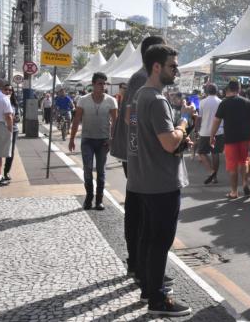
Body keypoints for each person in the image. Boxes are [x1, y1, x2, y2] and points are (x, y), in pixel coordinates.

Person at [128, 44, 193, 316]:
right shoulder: (155, 99)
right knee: (160, 242)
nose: (176, 71)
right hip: (161, 183)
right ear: (157, 67)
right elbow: (168, 143)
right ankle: (157, 299)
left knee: (147, 239)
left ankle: (148, 289)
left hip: (142, 181)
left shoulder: (138, 96)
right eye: (172, 66)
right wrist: (184, 124)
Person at [109, 35, 166, 281]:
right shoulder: (143, 78)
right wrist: (143, 140)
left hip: (134, 154)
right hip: (136, 156)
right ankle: (140, 265)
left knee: (139, 209)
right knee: (141, 212)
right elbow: (130, 117)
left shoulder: (141, 77)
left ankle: (139, 264)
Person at [68, 72, 118, 210]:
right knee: (87, 169)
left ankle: (99, 200)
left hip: (103, 141)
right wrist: (71, 139)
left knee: (101, 171)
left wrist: (111, 139)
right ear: (93, 84)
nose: (103, 86)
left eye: (105, 83)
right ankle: (89, 197)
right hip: (87, 140)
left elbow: (115, 122)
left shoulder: (111, 101)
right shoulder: (83, 100)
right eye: (100, 83)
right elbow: (76, 120)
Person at [210, 80, 250, 199]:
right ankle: (245, 183)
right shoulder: (246, 102)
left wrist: (212, 135)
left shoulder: (224, 103)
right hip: (245, 137)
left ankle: (234, 192)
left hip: (230, 138)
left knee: (232, 166)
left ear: (228, 89)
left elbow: (217, 121)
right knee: (243, 161)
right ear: (239, 88)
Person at [196, 83, 224, 184]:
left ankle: (210, 171)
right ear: (216, 91)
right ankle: (215, 177)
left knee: (201, 152)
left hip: (205, 131)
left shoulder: (202, 102)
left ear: (207, 91)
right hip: (219, 131)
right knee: (215, 153)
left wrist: (196, 129)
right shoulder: (221, 102)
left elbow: (199, 118)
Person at [2, 83, 20, 180]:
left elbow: (18, 117)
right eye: (6, 89)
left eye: (10, 90)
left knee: (10, 151)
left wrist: (15, 118)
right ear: (2, 91)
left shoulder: (14, 103)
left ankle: (6, 172)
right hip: (0, 129)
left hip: (13, 130)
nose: (8, 91)